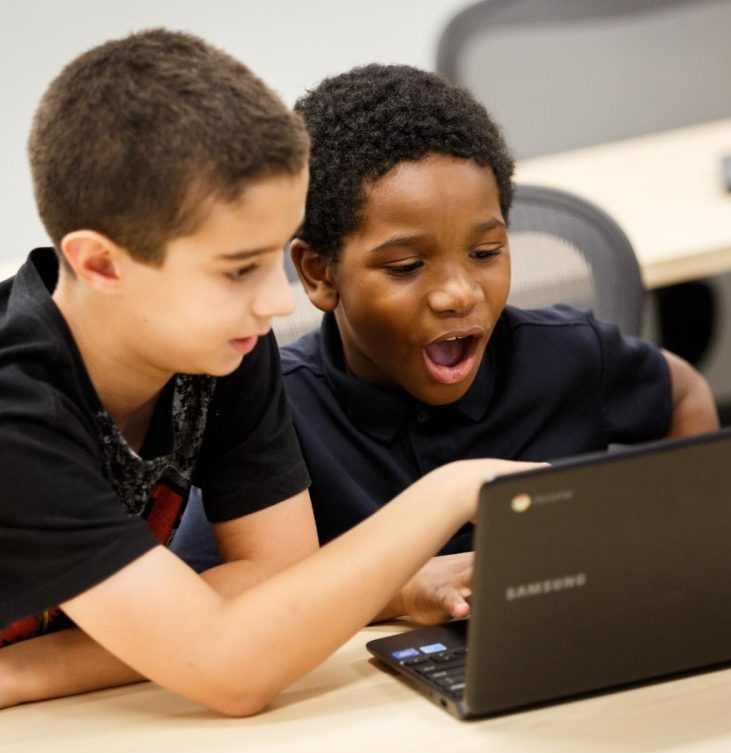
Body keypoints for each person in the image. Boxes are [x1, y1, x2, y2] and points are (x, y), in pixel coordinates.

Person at [0, 32, 535, 716]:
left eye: (273, 261)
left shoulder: (222, 342)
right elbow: (233, 668)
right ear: (103, 265)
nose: (279, 302)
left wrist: (25, 673)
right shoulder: (17, 408)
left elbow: (278, 582)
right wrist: (453, 490)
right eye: (238, 269)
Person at [174, 63, 720, 620]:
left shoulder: (569, 356)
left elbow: (684, 394)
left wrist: (681, 547)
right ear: (319, 274)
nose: (458, 294)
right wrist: (395, 592)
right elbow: (213, 600)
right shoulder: (271, 415)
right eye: (407, 266)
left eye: (485, 254)